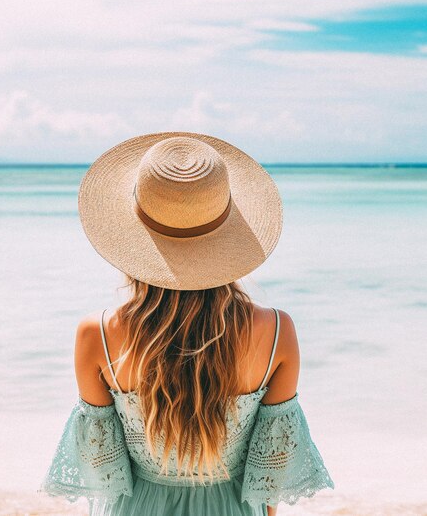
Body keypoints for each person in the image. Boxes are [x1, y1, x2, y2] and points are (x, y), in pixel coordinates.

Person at [39, 132, 334, 516]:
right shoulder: (276, 331)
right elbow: (268, 480)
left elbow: (105, 472)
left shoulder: (96, 335)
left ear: (132, 238)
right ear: (228, 237)